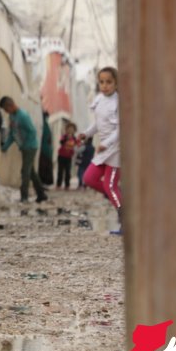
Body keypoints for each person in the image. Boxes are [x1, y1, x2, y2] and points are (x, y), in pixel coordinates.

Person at [81, 67, 122, 234]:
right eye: (102, 82)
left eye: (109, 82)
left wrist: (107, 143)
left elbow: (121, 129)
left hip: (116, 149)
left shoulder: (119, 102)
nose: (105, 86)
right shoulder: (99, 100)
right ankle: (118, 196)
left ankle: (125, 218)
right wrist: (86, 133)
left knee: (110, 185)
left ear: (116, 83)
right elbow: (97, 124)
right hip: (103, 148)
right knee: (89, 178)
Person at [0, 97, 48, 203]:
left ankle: (24, 197)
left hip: (30, 147)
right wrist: (5, 146)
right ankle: (41, 194)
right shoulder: (12, 116)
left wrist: (25, 143)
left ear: (10, 105)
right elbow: (13, 134)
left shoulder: (23, 116)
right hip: (24, 148)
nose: (6, 112)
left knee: (25, 171)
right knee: (31, 172)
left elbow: (32, 131)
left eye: (6, 110)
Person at [57, 121, 78, 190]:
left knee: (68, 171)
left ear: (74, 130)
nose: (70, 130)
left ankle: (67, 185)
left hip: (69, 156)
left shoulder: (74, 138)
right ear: (66, 129)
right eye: (69, 128)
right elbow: (61, 142)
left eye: (72, 129)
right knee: (60, 170)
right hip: (61, 155)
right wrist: (67, 138)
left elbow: (77, 144)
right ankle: (58, 185)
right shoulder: (64, 136)